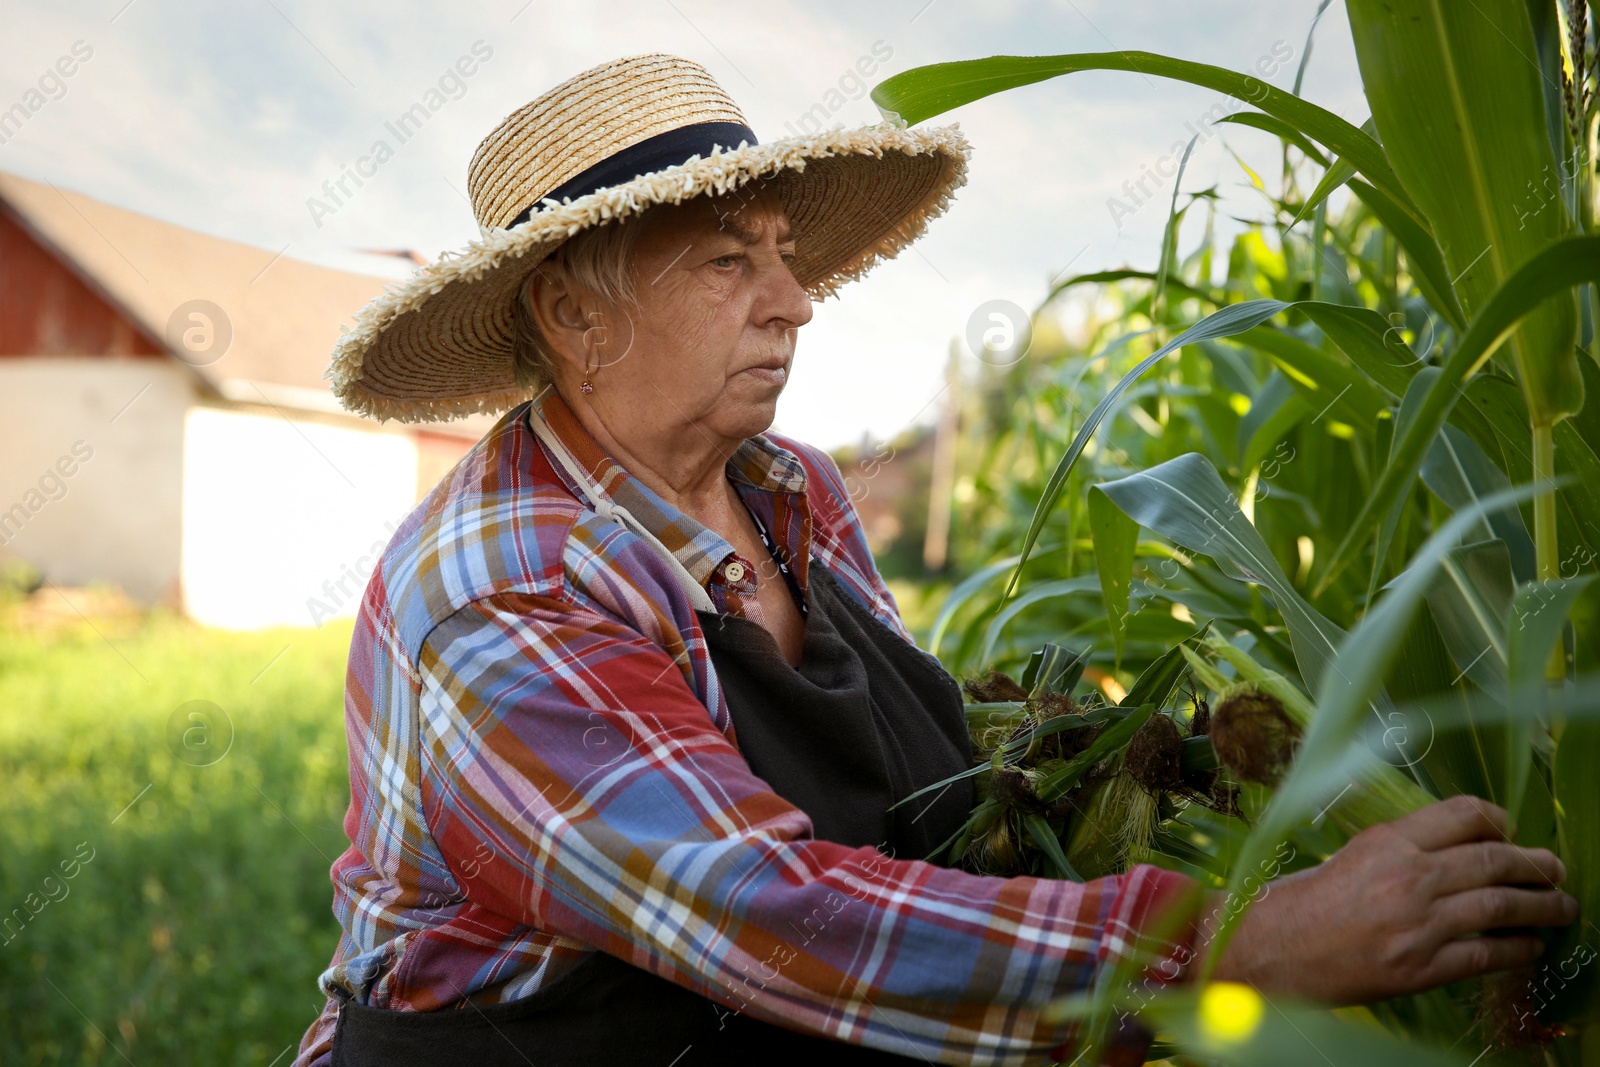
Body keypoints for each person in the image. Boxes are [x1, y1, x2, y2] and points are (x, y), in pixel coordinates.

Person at [295, 53, 1576, 1066]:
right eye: (730, 261)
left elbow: (916, 789)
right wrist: (1244, 943)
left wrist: (1148, 769)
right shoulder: (505, 595)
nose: (792, 298)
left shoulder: (789, 491)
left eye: (786, 253)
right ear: (574, 314)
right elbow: (773, 915)